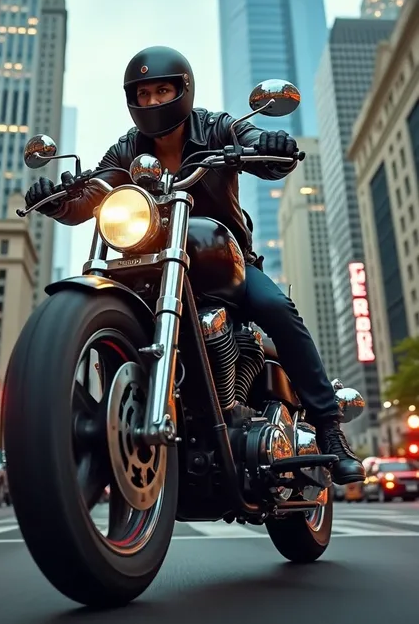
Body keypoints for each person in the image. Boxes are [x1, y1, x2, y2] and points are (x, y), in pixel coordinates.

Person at [25, 45, 365, 486]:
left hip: (224, 258)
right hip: (150, 262)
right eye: (142, 95)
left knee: (278, 308)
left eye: (161, 90)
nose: (151, 102)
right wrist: (59, 198)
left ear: (183, 90)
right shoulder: (125, 149)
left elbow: (257, 147)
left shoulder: (216, 127)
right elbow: (95, 193)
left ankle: (328, 428)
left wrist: (269, 144)